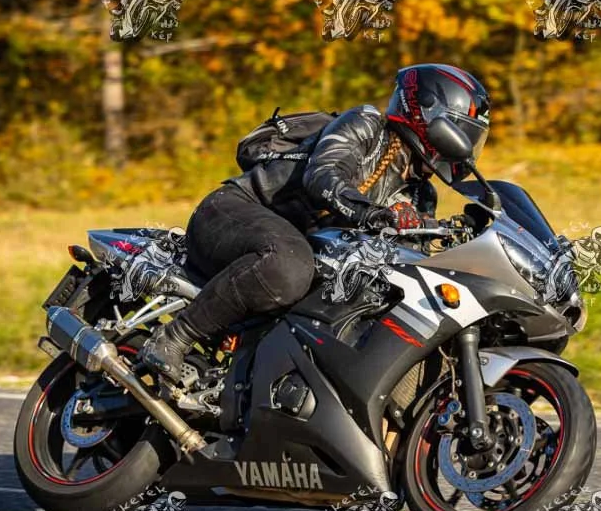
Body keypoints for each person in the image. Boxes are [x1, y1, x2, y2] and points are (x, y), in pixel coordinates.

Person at [139, 63, 492, 382]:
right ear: (431, 120)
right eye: (464, 133)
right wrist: (372, 213)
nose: (466, 147)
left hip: (293, 248)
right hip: (236, 211)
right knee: (290, 265)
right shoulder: (368, 126)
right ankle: (175, 336)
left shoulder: (420, 194)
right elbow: (323, 175)